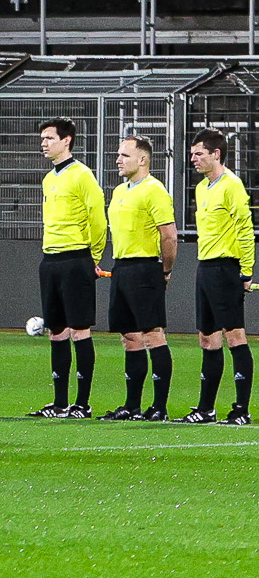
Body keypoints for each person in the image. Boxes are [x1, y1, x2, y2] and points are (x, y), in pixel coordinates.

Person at [32, 116, 107, 417]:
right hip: (50, 260)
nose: (44, 144)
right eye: (42, 139)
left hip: (76, 259)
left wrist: (95, 257)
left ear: (67, 141)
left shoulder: (83, 175)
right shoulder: (48, 179)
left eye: (49, 138)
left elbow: (97, 218)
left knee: (80, 330)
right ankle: (60, 402)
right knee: (56, 331)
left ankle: (82, 403)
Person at [101, 134, 177, 421]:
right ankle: (132, 405)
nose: (118, 160)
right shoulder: (120, 190)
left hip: (145, 267)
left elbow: (168, 235)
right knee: (129, 337)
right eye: (118, 155)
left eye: (124, 155)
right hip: (121, 267)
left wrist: (165, 270)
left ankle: (159, 407)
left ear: (142, 159)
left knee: (152, 333)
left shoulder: (155, 191)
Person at [185, 129, 252, 425]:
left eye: (199, 153)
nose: (193, 159)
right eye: (192, 154)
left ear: (216, 154)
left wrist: (246, 270)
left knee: (235, 335)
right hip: (205, 268)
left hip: (226, 267)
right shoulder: (202, 188)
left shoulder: (232, 185)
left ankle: (241, 410)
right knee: (207, 338)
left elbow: (244, 230)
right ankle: (205, 408)